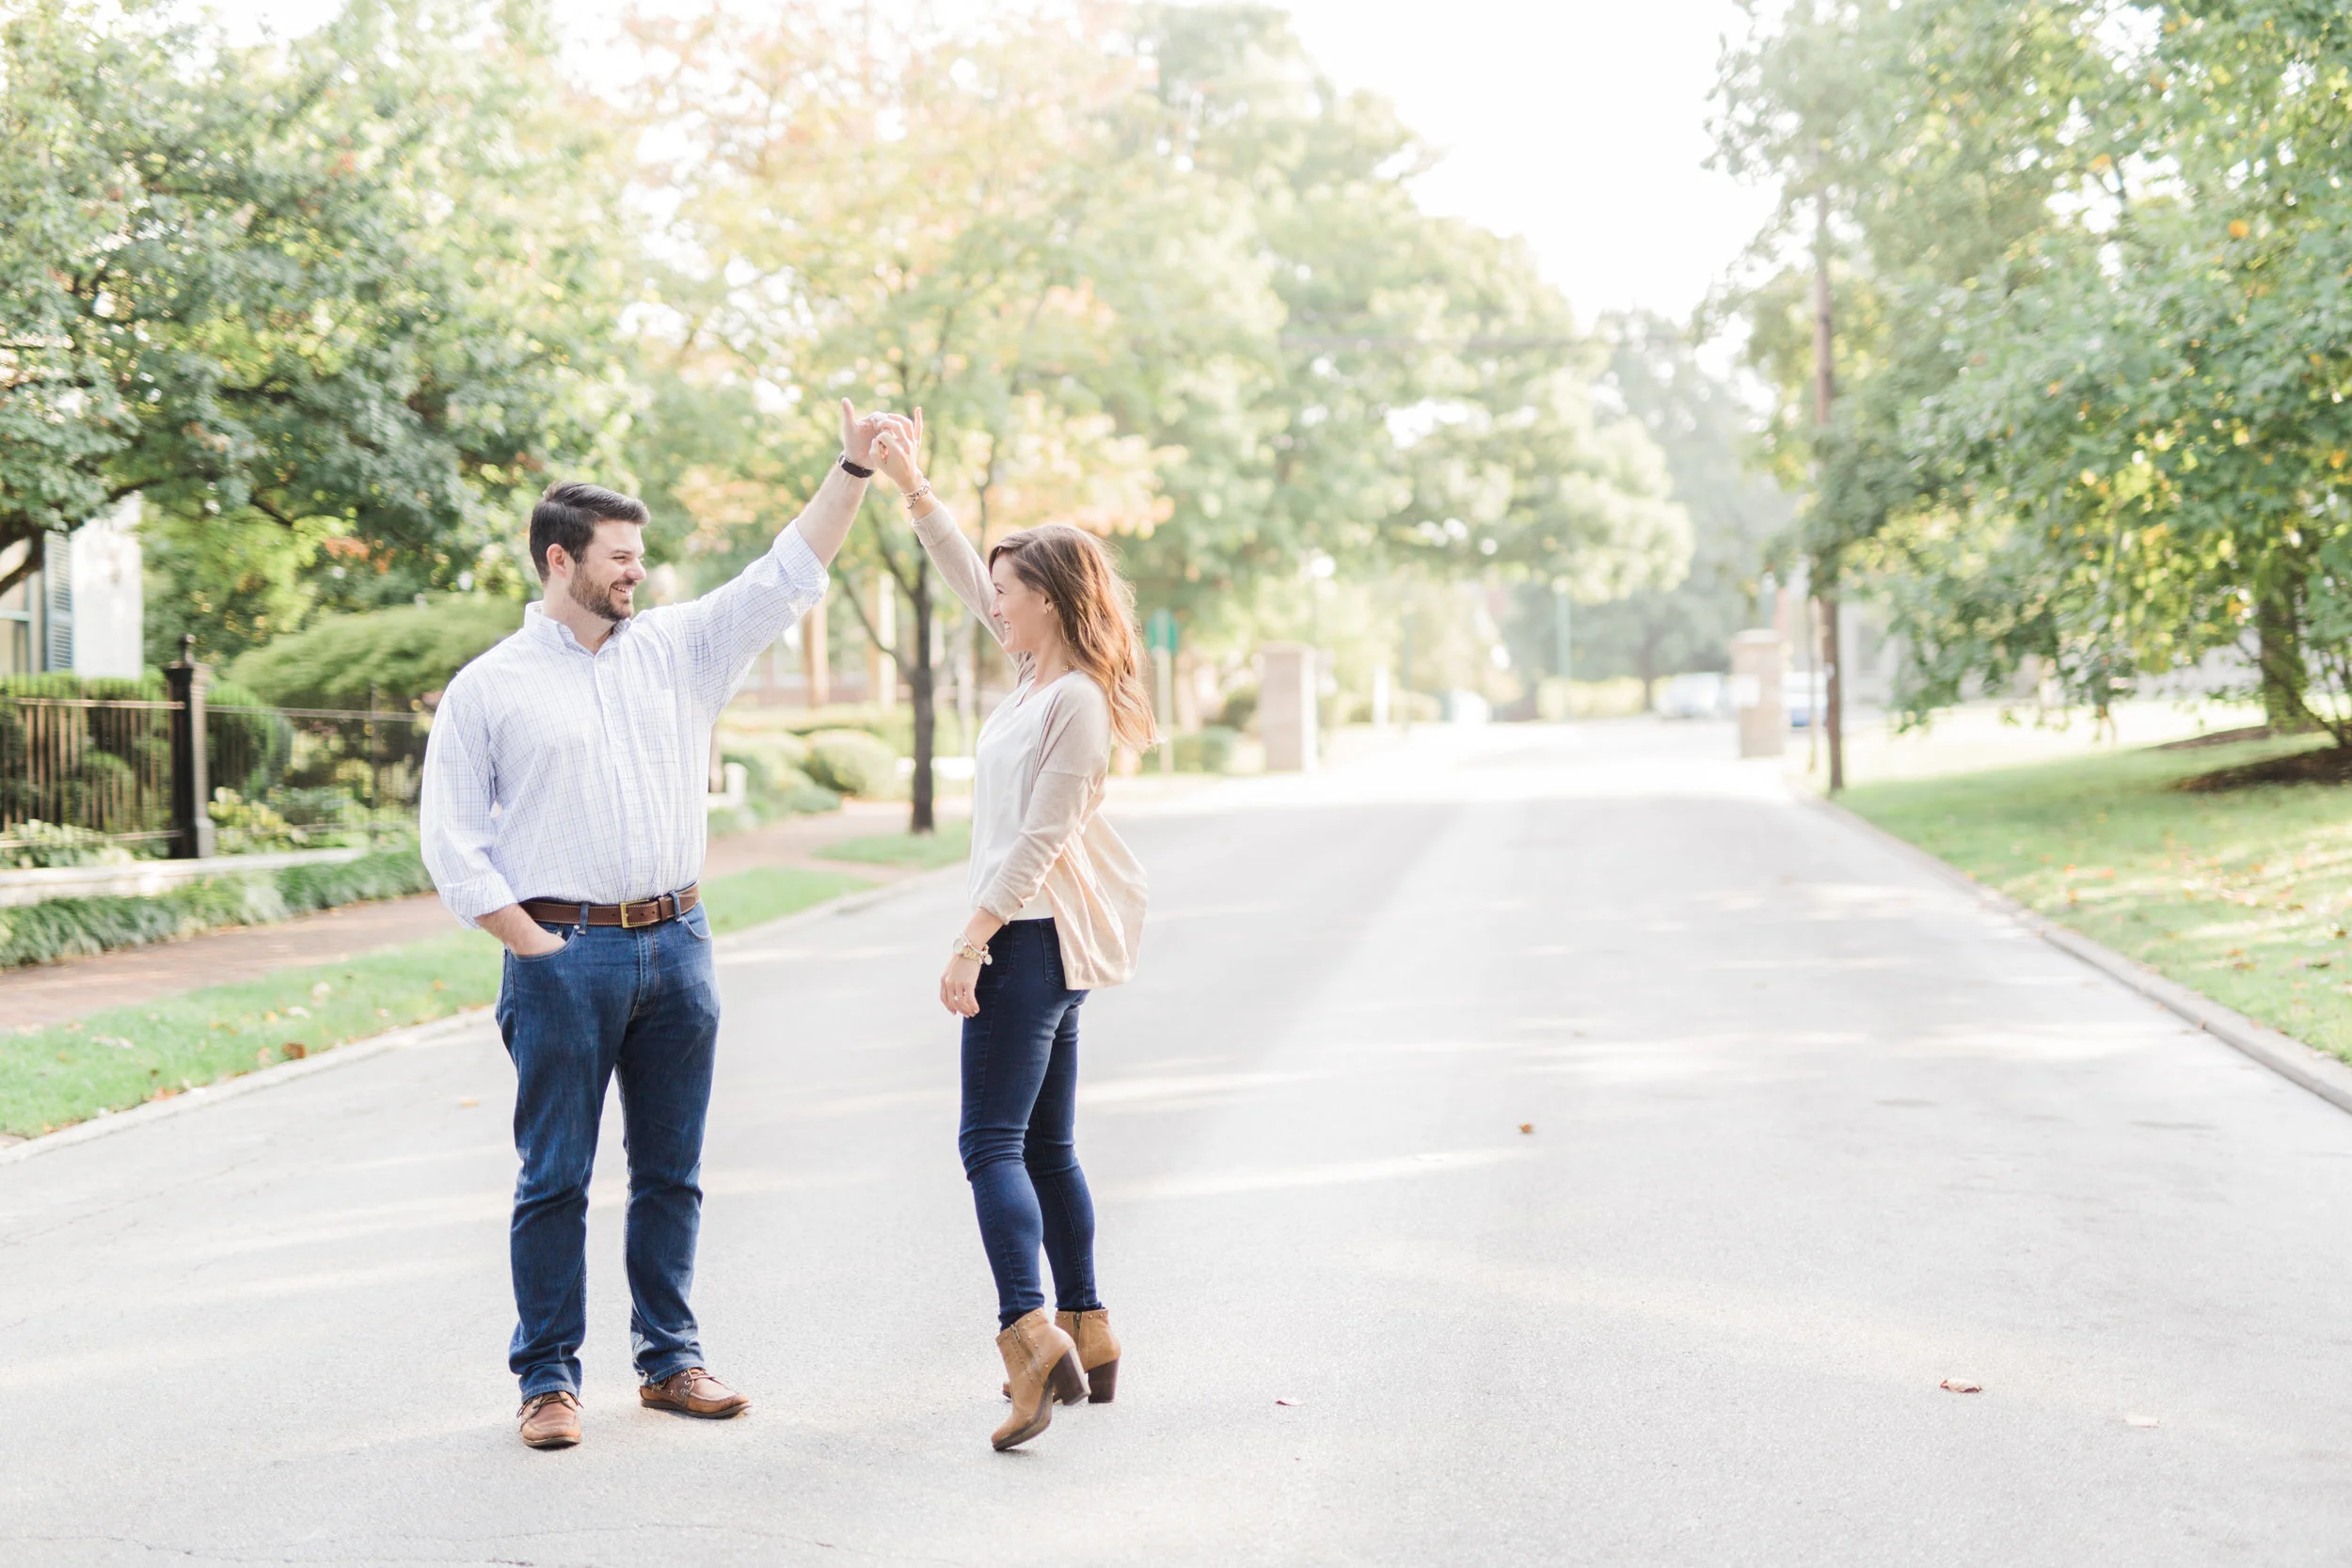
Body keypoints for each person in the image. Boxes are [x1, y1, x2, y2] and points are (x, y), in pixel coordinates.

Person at [421, 402, 893, 1450]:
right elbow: (451, 841)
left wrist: (853, 467)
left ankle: (670, 1360)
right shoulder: (488, 688)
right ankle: (546, 1379)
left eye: (640, 556)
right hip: (561, 953)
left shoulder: (678, 648)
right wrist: (530, 942)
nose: (637, 573)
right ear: (560, 559)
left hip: (678, 944)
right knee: (555, 1176)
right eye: (619, 557)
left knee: (672, 1169)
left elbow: (785, 571)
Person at [868, 411, 1153, 1452]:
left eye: (1009, 586)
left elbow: (1041, 835)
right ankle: (1089, 1322)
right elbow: (954, 567)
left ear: (1049, 600)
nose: (992, 598)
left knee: (988, 1142)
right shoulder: (1035, 675)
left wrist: (969, 938)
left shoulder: (1073, 701)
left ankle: (1026, 1335)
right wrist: (910, 483)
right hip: (1035, 944)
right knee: (1045, 1144)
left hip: (1026, 941)